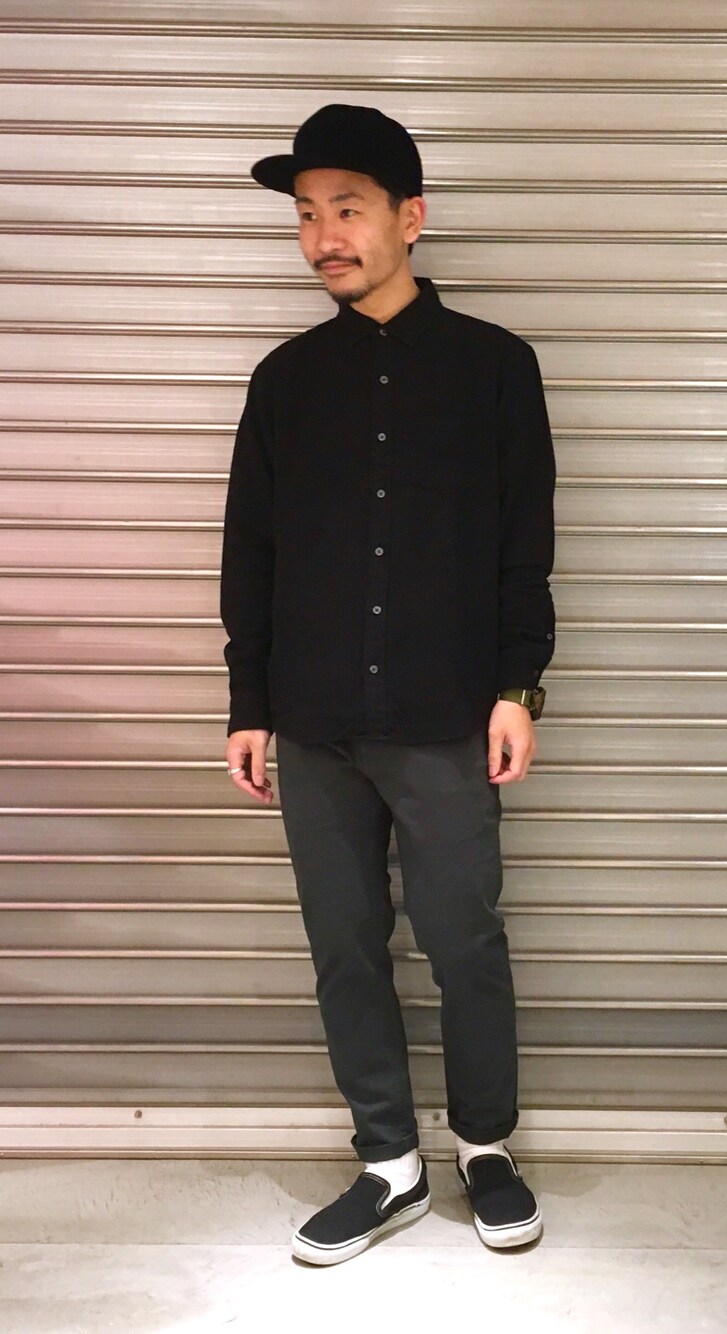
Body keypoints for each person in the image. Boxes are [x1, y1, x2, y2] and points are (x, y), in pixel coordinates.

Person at [219, 103, 556, 1266]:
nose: (325, 236)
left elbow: (524, 549)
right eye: (308, 215)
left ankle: (485, 1146)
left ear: (410, 217)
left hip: (445, 715)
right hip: (313, 722)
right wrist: (249, 702)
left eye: (348, 209)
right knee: (346, 944)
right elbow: (251, 553)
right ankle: (388, 1161)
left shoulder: (496, 371)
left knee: (464, 940)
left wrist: (519, 686)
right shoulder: (283, 383)